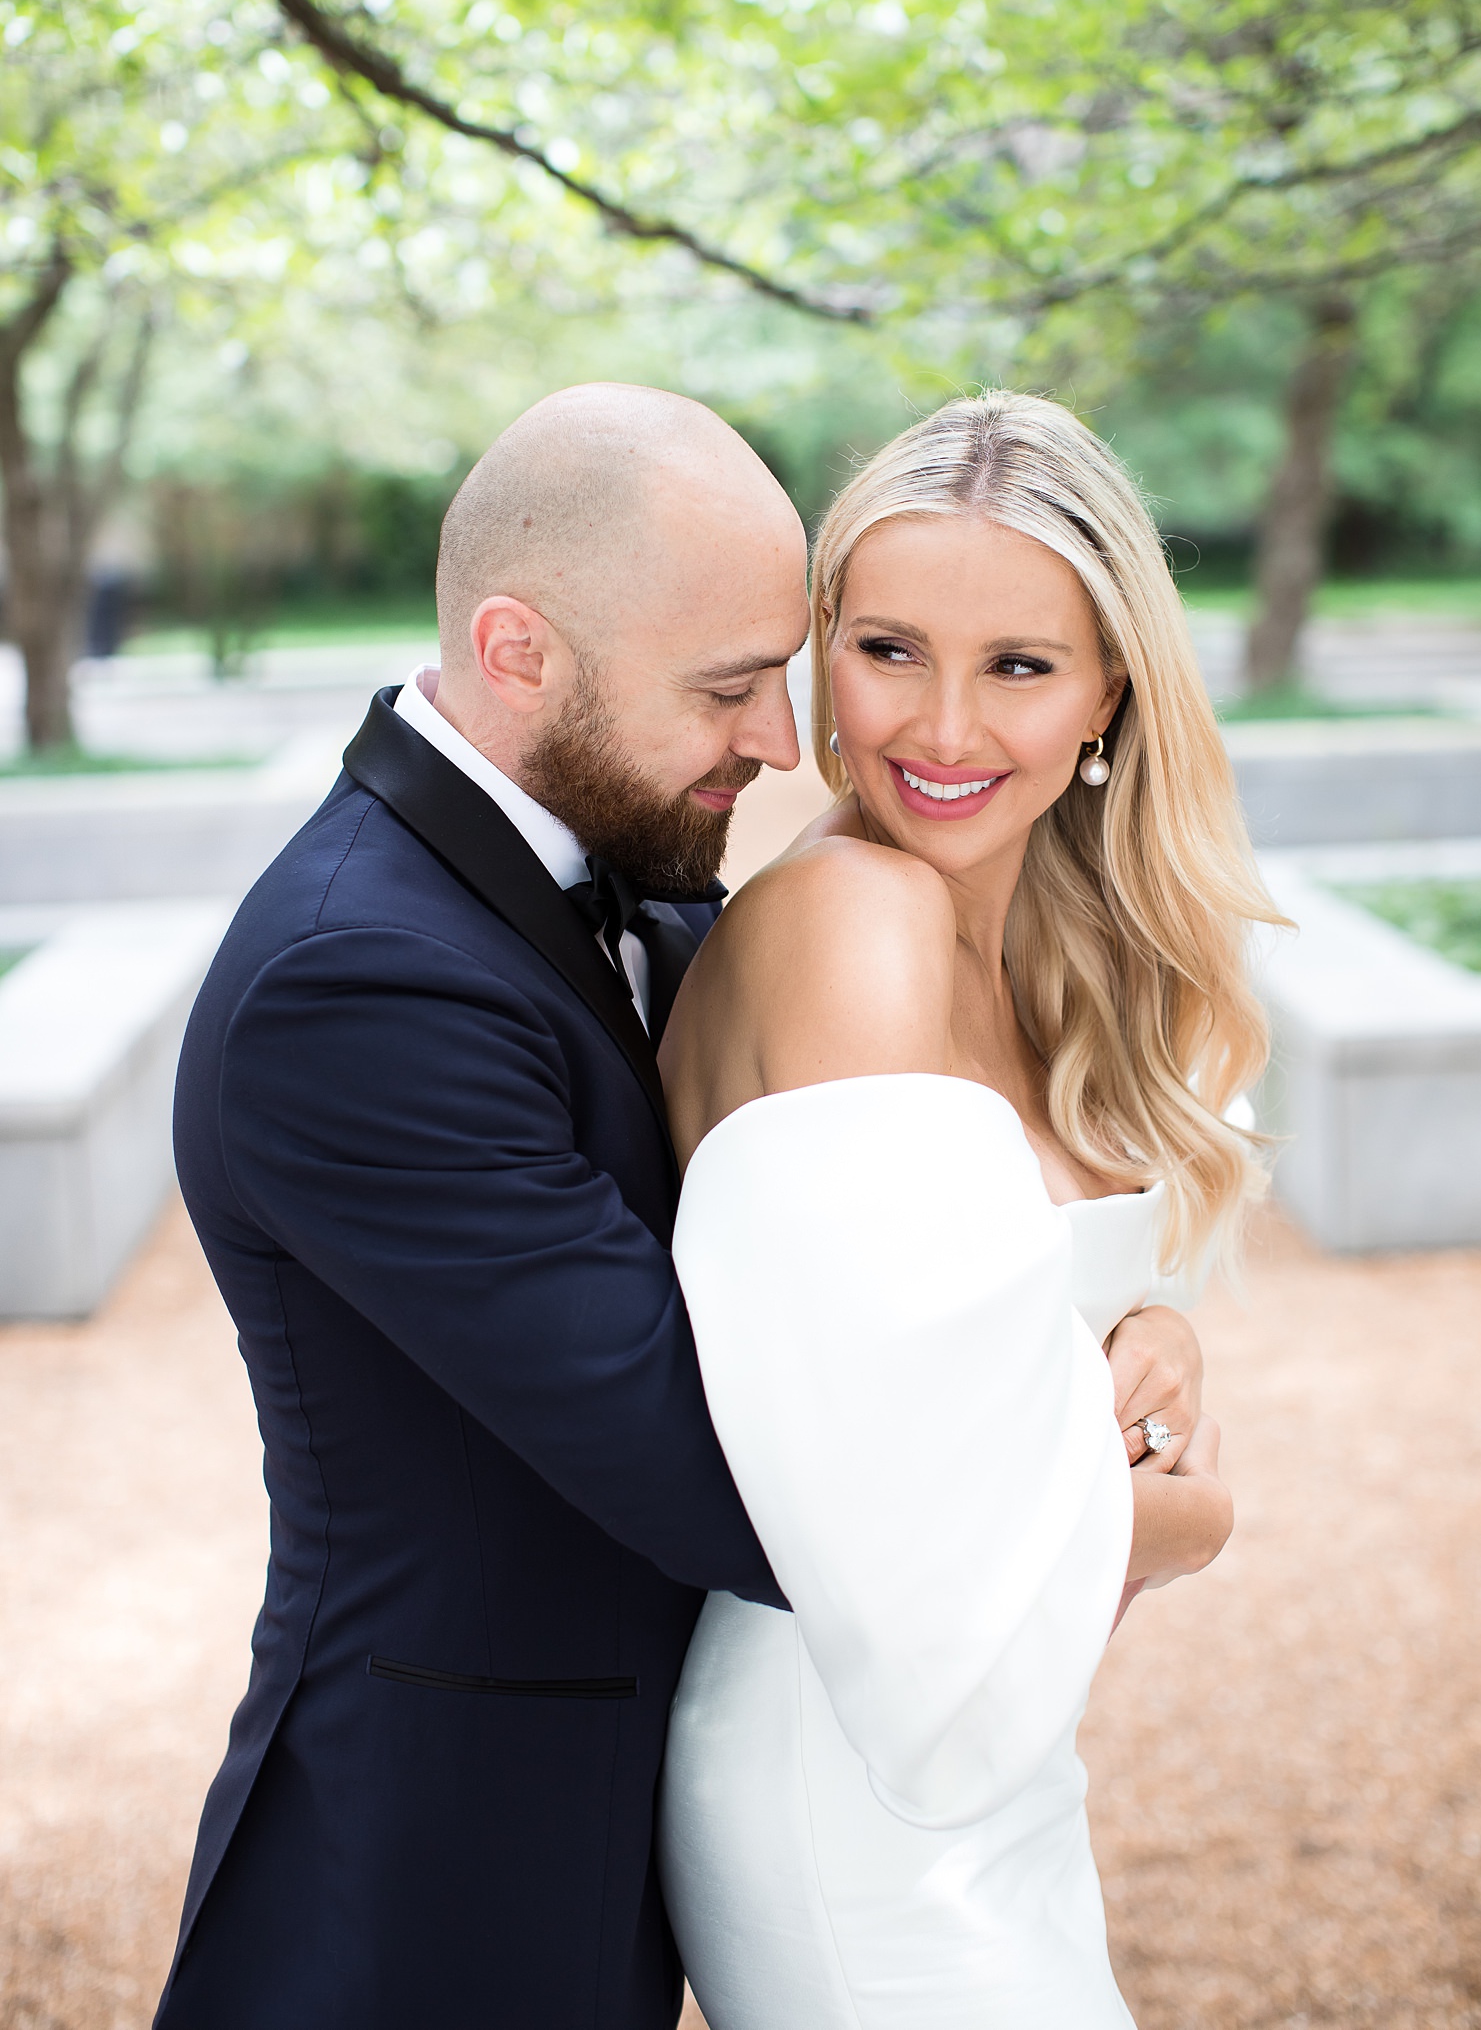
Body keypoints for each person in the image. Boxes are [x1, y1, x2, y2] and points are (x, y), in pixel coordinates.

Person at [157, 385, 812, 2030]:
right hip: (426, 1900)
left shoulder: (611, 857)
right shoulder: (356, 982)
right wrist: (1096, 1500)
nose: (783, 741)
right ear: (519, 651)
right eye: (731, 687)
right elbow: (709, 1462)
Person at [658, 390, 1280, 2028]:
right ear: (819, 658)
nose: (938, 726)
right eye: (886, 648)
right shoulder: (852, 923)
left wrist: (1147, 1343)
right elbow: (899, 1525)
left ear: (1107, 698)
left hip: (992, 1771)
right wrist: (1182, 1518)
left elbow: (972, 1335)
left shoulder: (1040, 949)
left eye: (1017, 664)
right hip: (854, 1772)